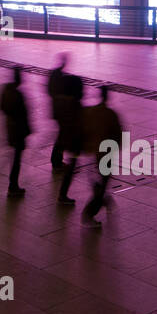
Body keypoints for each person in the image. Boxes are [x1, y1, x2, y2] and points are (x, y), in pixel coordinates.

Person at [80, 86, 123, 227]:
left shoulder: (91, 112)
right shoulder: (110, 114)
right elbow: (119, 136)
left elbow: (85, 129)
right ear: (108, 97)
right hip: (105, 155)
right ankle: (88, 214)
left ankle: (105, 200)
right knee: (103, 184)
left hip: (92, 152)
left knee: (100, 183)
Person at [0, 66, 30, 197]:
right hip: (18, 131)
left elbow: (0, 106)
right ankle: (13, 185)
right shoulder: (18, 94)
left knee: (15, 157)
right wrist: (27, 130)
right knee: (16, 159)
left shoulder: (5, 90)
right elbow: (24, 114)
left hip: (10, 128)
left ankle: (13, 184)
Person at [55, 73, 85, 205]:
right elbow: (79, 122)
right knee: (72, 165)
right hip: (73, 141)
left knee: (72, 164)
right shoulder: (74, 104)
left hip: (66, 138)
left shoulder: (61, 100)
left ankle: (63, 194)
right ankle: (62, 195)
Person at [47, 55, 77, 169]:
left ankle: (57, 160)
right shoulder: (59, 76)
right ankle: (56, 161)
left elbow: (50, 90)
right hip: (61, 111)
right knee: (62, 136)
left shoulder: (54, 74)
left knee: (62, 134)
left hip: (57, 109)